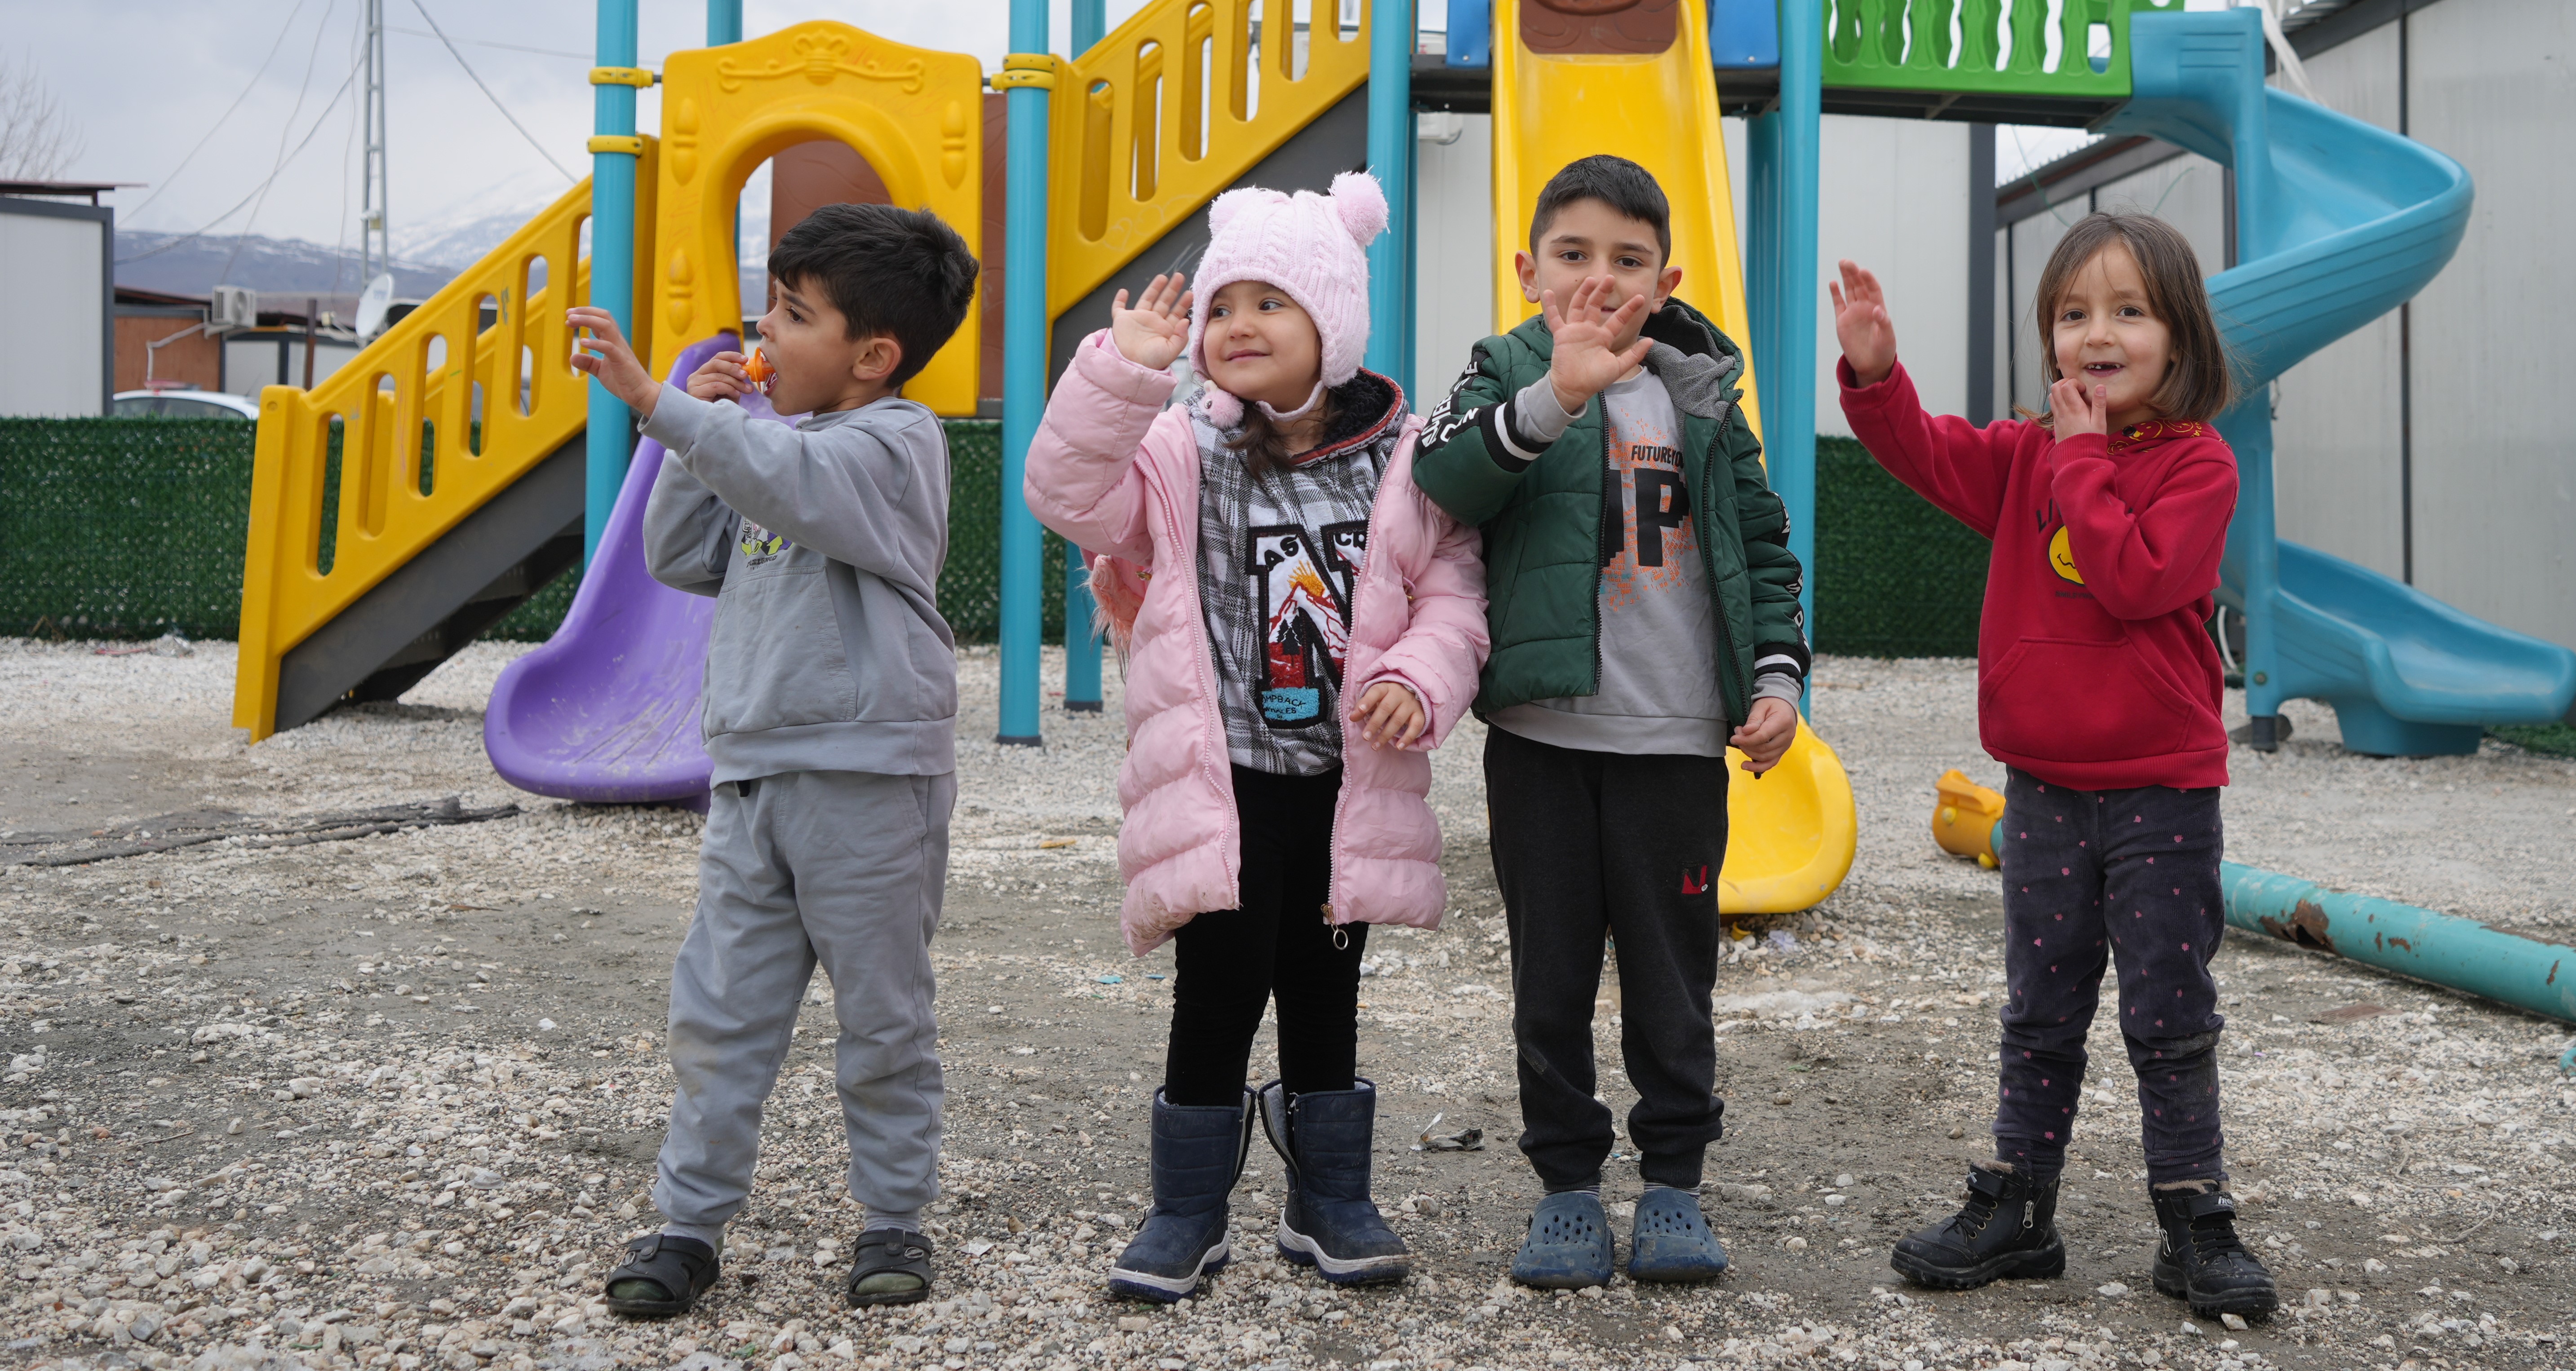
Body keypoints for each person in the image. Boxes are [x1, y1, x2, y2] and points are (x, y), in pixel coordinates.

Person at [1024, 171, 1487, 1303]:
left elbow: (1453, 594)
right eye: (1223, 305)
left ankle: (1328, 1195)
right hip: (1223, 776)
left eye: (1271, 303)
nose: (1237, 324)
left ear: (1333, 324)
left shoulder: (1403, 456)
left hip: (1346, 777)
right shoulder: (1180, 447)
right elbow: (1068, 494)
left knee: (1326, 988)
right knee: (1219, 985)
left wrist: (1419, 680)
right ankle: (1187, 1207)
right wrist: (1122, 372)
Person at [1829, 212, 2278, 1319]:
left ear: (2180, 337)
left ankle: (2194, 1214)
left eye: (2129, 310)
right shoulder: (2029, 452)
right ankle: (2021, 1206)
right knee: (2040, 1007)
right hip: (2042, 788)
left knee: (2169, 1012)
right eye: (2074, 313)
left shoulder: (2199, 464)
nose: (2098, 333)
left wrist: (2082, 457)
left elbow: (2135, 578)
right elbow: (1928, 452)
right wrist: (1876, 376)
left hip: (2163, 791)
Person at [562, 199, 981, 1321]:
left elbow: (794, 481)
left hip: (868, 779)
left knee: (882, 1014)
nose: (765, 330)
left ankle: (892, 1214)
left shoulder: (895, 445)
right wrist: (695, 434)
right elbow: (679, 552)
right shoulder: (766, 444)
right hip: (751, 776)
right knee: (720, 1011)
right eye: (771, 307)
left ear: (872, 356)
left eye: (794, 314)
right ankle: (687, 1223)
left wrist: (661, 404)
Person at [1413, 153, 1809, 1291]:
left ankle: (1674, 1177)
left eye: (1628, 259)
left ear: (1666, 279)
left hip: (1675, 741)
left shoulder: (1705, 391)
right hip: (1542, 738)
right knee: (1549, 976)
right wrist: (1557, 395)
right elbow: (1443, 478)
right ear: (1527, 269)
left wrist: (1776, 680)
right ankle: (1568, 1185)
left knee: (1673, 975)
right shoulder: (1506, 368)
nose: (1600, 277)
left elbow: (1760, 545)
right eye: (1573, 254)